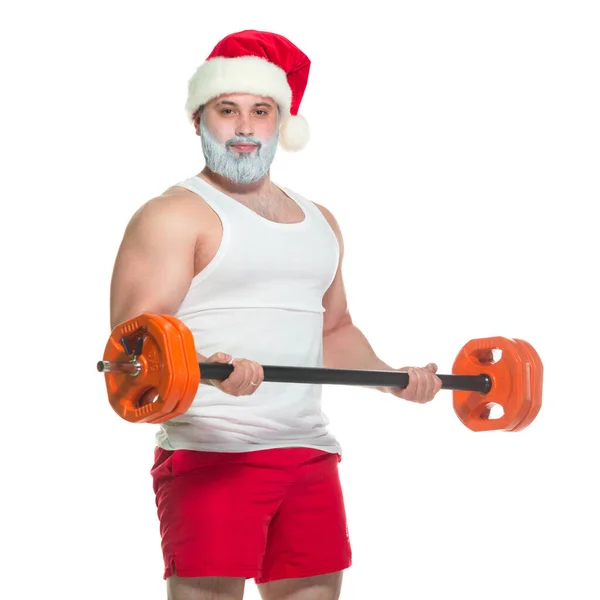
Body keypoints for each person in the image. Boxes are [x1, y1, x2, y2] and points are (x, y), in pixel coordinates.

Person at [109, 30, 443, 600]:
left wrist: (392, 377)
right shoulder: (173, 216)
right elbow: (129, 353)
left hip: (309, 451)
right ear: (199, 120)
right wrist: (206, 367)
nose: (243, 128)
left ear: (281, 122)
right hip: (213, 453)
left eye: (260, 111)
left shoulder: (321, 221)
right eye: (227, 110)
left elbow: (333, 330)